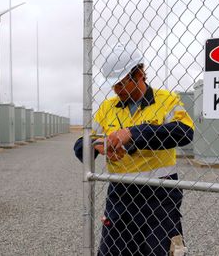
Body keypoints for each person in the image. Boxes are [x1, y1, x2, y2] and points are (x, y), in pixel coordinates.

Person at [73, 43, 194, 255]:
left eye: (121, 84)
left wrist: (133, 133)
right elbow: (80, 144)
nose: (116, 90)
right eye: (114, 86)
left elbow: (184, 132)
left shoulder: (166, 100)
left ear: (138, 74)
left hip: (160, 195)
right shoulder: (107, 107)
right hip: (120, 195)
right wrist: (97, 145)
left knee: (159, 251)